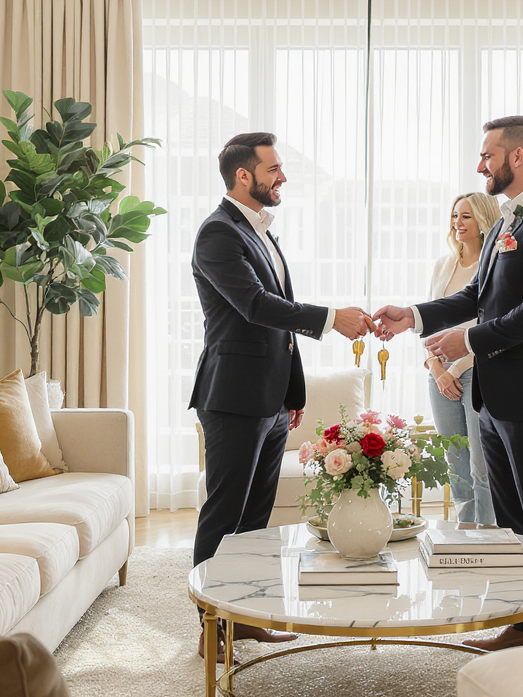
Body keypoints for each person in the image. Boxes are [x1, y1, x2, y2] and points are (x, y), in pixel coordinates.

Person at [373, 116, 523, 651]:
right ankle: (522, 623)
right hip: (494, 395)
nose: (479, 165)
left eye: (487, 154)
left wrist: (466, 344)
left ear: (517, 157)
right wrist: (414, 316)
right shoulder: (505, 224)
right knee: (513, 522)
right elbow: (476, 299)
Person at [190, 132, 372, 661]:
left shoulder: (262, 231)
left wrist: (292, 392)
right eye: (274, 168)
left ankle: (244, 616)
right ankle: (211, 628)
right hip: (232, 396)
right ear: (243, 176)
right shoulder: (217, 234)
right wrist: (331, 319)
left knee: (254, 520)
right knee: (224, 514)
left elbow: (279, 329)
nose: (282, 177)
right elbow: (254, 306)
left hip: (270, 399)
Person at [425, 192, 502, 526]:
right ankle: (465, 532)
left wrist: (453, 369)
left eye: (466, 216)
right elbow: (430, 321)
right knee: (455, 462)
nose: (458, 223)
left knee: (480, 465)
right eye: (455, 215)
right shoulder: (444, 265)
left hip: (475, 372)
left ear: (482, 219)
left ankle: (488, 538)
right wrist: (436, 368)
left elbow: (486, 327)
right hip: (438, 374)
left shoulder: (492, 264)